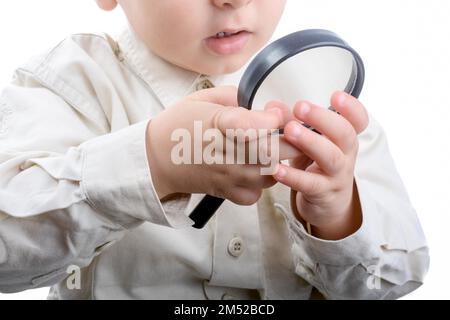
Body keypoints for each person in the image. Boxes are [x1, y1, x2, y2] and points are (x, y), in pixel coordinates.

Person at [0, 0, 429, 300]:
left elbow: (401, 277)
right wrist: (153, 163)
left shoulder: (322, 96)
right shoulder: (73, 82)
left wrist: (338, 216)